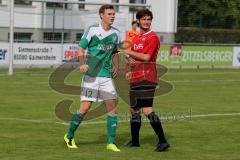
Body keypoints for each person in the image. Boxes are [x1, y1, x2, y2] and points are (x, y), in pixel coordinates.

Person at [64, 4, 120, 152]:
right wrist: (82, 64)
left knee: (112, 107)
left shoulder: (116, 33)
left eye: (113, 14)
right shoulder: (92, 30)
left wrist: (116, 66)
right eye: (109, 14)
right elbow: (81, 48)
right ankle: (69, 136)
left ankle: (111, 142)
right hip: (91, 76)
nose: (112, 16)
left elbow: (115, 52)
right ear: (101, 15)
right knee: (85, 107)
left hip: (106, 76)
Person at [119, 9, 170, 152]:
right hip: (135, 77)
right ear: (138, 21)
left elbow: (147, 57)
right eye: (144, 19)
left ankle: (163, 141)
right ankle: (135, 141)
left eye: (149, 19)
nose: (146, 21)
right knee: (134, 110)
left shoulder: (152, 37)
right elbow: (133, 58)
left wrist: (128, 52)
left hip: (147, 77)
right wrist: (128, 66)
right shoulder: (136, 38)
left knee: (147, 110)